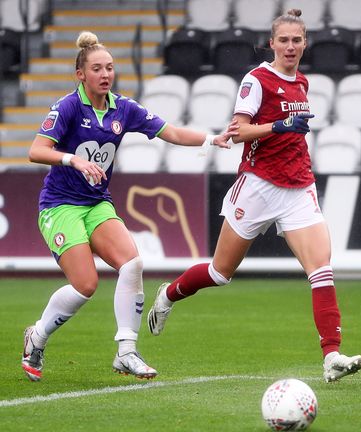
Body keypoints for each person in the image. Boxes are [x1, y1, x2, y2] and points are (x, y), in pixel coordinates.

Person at [146, 9, 361, 383]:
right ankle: (168, 294)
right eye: (284, 40)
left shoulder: (303, 83)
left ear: (305, 43)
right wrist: (280, 125)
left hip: (298, 186)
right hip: (259, 184)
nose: (291, 47)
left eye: (297, 40)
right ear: (272, 43)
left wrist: (286, 132)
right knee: (220, 273)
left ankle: (331, 356)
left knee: (322, 269)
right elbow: (237, 132)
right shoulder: (257, 79)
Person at [21, 31, 235, 382]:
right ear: (80, 74)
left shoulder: (123, 108)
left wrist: (213, 138)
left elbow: (172, 132)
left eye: (109, 68)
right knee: (85, 285)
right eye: (96, 68)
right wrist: (73, 160)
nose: (105, 74)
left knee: (132, 264)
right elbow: (36, 150)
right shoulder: (67, 107)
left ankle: (126, 352)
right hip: (59, 205)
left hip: (96, 204)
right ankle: (37, 337)